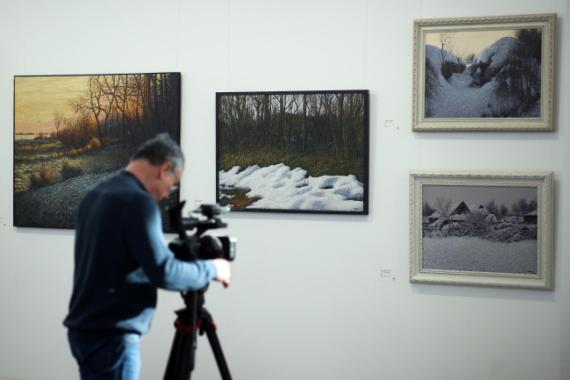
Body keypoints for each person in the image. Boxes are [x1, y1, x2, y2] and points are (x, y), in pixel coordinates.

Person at [63, 133, 231, 380]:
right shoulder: (138, 203)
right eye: (173, 185)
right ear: (165, 169)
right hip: (113, 337)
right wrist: (214, 269)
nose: (167, 195)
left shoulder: (95, 195)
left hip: (85, 330)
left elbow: (118, 260)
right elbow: (164, 272)